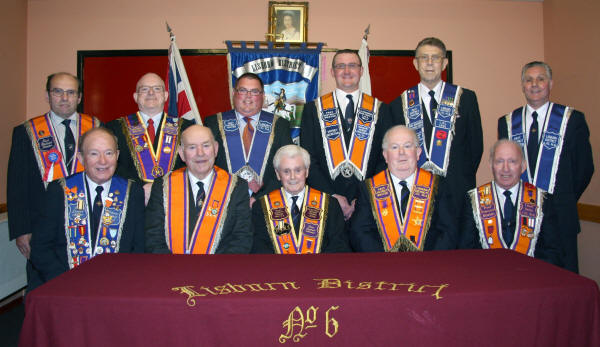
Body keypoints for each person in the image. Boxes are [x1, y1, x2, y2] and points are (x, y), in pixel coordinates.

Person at [7, 72, 101, 291]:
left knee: (89, 286)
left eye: (70, 92)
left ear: (79, 97)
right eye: (58, 91)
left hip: (88, 225)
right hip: (43, 228)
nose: (64, 98)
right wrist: (21, 230)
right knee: (44, 289)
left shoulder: (96, 127)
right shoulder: (26, 132)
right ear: (47, 95)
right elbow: (17, 185)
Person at [498, 61, 594, 272]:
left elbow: (585, 168)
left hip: (561, 215)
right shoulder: (507, 122)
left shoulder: (572, 119)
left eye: (540, 79)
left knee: (564, 279)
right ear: (522, 85)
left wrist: (563, 198)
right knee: (522, 277)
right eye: (528, 79)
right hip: (519, 218)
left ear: (550, 83)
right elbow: (503, 170)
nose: (534, 84)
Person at [30, 127, 145, 291]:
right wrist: (63, 281)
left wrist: (122, 281)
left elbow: (139, 247)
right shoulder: (60, 190)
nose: (103, 161)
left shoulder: (132, 191)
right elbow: (41, 247)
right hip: (64, 286)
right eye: (94, 154)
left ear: (117, 156)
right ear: (81, 158)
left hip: (117, 287)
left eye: (109, 153)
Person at [389, 37, 483, 216]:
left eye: (436, 57)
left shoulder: (466, 99)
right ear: (415, 63)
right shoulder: (398, 105)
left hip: (458, 192)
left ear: (445, 63)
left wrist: (460, 178)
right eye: (424, 58)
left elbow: (475, 147)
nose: (430, 63)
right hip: (415, 194)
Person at [300, 49, 390, 223]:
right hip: (325, 201)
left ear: (361, 71)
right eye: (341, 66)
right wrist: (332, 196)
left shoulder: (380, 110)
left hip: (368, 203)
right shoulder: (313, 109)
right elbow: (307, 158)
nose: (347, 71)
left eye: (352, 66)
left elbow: (384, 158)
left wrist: (364, 196)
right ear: (333, 72)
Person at [145, 125, 252, 254]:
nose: (200, 153)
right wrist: (172, 267)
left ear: (216, 149)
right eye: (192, 147)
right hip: (171, 269)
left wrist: (215, 269)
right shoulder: (163, 185)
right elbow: (153, 237)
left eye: (206, 146)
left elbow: (242, 238)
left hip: (221, 269)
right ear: (181, 153)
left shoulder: (236, 186)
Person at [350, 126, 456, 252]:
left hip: (429, 264)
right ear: (385, 155)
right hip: (381, 266)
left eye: (407, 146)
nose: (401, 152)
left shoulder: (438, 185)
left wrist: (429, 261)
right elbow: (360, 233)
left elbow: (448, 231)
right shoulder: (368, 188)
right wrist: (383, 262)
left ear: (418, 153)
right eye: (394, 147)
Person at [460, 140, 562, 266]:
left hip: (532, 278)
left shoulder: (542, 200)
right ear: (491, 165)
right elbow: (466, 251)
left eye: (512, 161)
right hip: (487, 277)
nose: (505, 168)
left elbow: (553, 252)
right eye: (499, 161)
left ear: (523, 166)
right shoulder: (473, 199)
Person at [204, 73, 292, 205]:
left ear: (263, 96)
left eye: (255, 91)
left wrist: (260, 198)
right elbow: (205, 165)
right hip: (222, 201)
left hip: (266, 202)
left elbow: (286, 167)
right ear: (234, 93)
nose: (248, 96)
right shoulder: (214, 123)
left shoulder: (279, 125)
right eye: (243, 90)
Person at [106, 72, 192, 204]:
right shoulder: (115, 128)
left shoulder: (186, 128)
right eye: (144, 89)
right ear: (135, 97)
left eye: (157, 89)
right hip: (129, 200)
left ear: (165, 96)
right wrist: (138, 188)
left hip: (174, 200)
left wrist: (165, 188)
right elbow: (111, 164)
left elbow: (192, 164)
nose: (151, 93)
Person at [252, 145, 351, 253]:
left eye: (298, 170)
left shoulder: (330, 204)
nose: (293, 177)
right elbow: (259, 248)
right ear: (277, 174)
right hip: (277, 268)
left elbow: (339, 245)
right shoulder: (262, 206)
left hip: (320, 268)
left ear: (307, 171)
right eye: (286, 171)